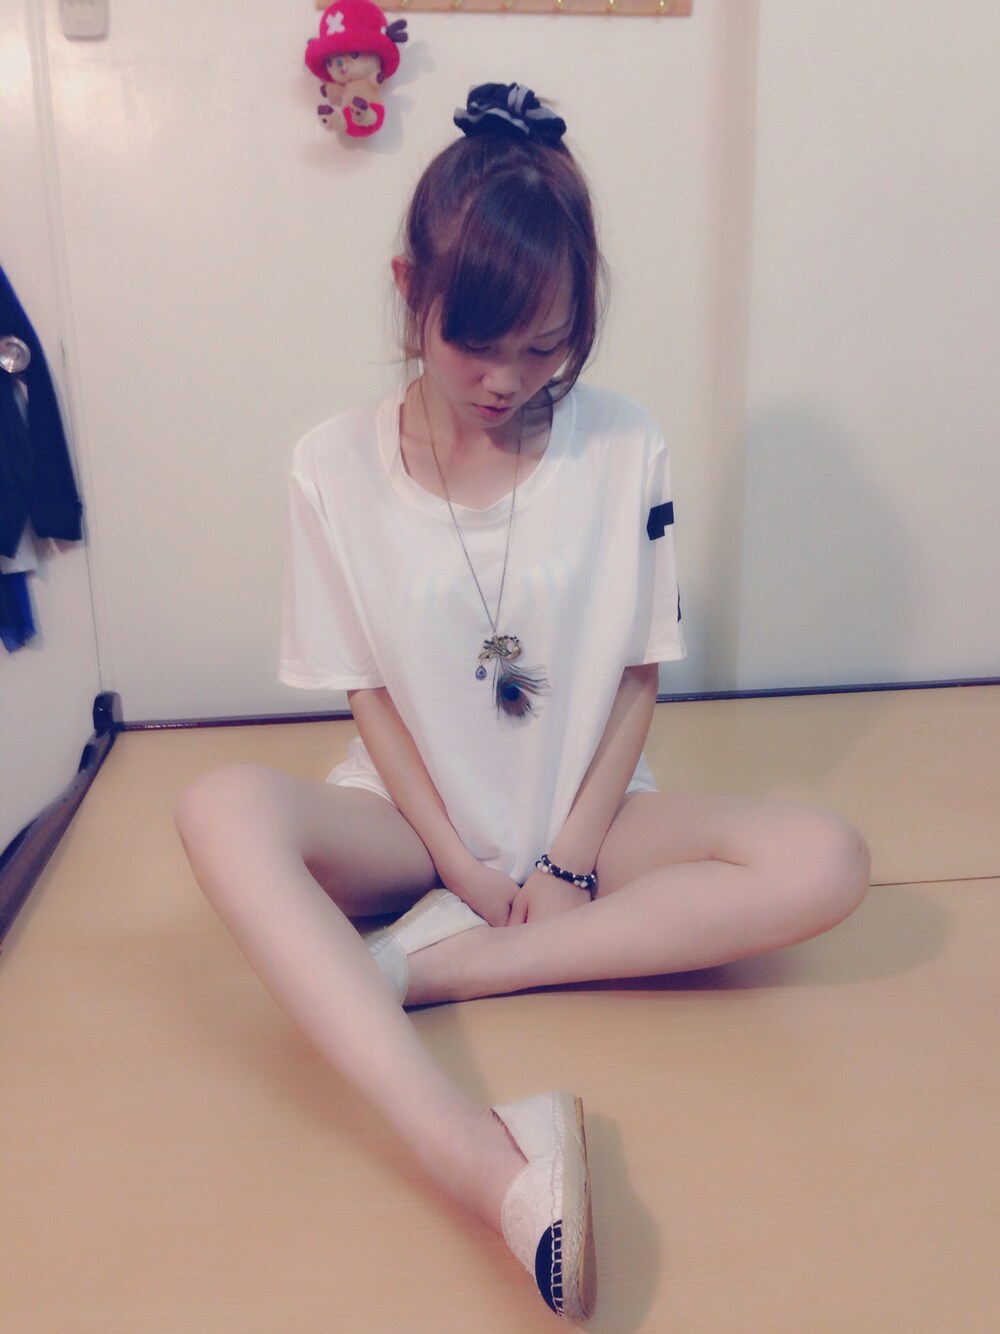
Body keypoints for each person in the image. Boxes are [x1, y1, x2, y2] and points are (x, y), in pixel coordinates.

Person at [175, 83, 870, 1321]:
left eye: (546, 347)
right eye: (475, 344)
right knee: (216, 806)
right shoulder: (329, 464)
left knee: (827, 857)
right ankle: (479, 1157)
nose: (507, 379)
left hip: (588, 814)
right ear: (409, 290)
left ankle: (436, 970)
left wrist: (565, 856)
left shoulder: (623, 444)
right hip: (408, 821)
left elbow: (639, 673)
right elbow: (367, 691)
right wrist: (454, 855)